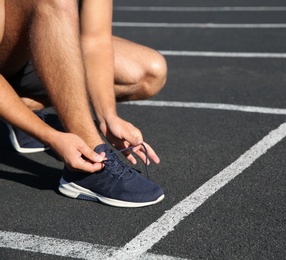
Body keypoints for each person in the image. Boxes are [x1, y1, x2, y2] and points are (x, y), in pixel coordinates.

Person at [0, 0, 167, 207]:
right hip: (5, 57)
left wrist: (108, 116)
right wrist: (51, 136)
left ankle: (22, 110)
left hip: (35, 50)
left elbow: (95, 41)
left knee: (148, 72)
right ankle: (89, 163)